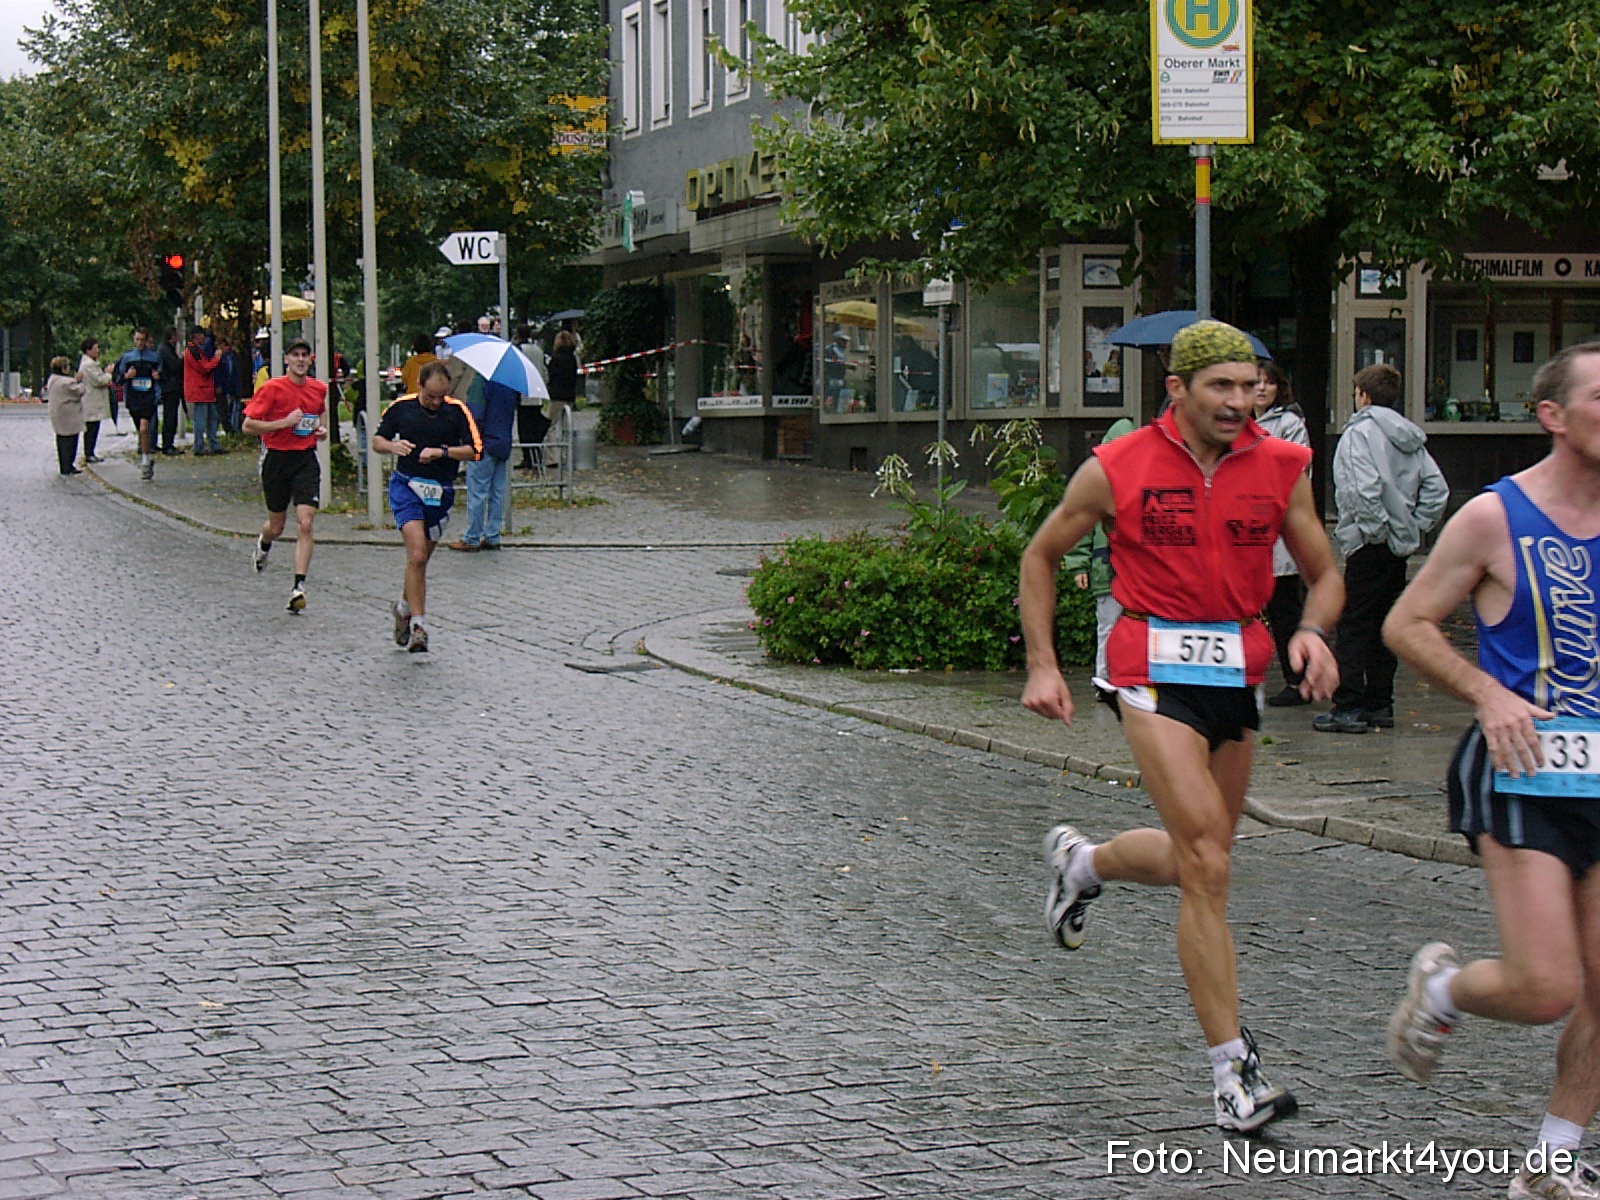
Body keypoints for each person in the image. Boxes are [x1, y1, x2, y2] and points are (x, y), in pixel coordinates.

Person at [1018, 319, 1342, 1134]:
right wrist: (1044, 665)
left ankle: (1084, 862)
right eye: (1222, 387)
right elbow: (1040, 554)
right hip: (1149, 667)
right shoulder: (1119, 466)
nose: (1241, 401)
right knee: (1205, 860)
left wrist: (1314, 631)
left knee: (1208, 857)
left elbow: (1324, 571)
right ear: (1178, 391)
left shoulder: (1283, 465)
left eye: (1251, 385)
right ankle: (1234, 1074)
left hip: (1238, 671)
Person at [1383, 341, 1600, 1200]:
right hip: (1521, 771)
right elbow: (1407, 623)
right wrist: (1487, 693)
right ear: (1553, 415)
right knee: (1549, 987)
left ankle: (1551, 1162)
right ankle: (1443, 987)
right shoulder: (1494, 517)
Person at [1314, 362, 1449, 734]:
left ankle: (1349, 704)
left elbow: (1359, 488)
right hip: (1398, 543)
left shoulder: (1358, 434)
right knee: (1387, 622)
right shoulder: (1410, 437)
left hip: (1370, 542)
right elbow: (1436, 489)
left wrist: (1373, 530)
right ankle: (1380, 703)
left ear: (1363, 395)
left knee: (1356, 622)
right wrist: (1414, 526)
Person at [372, 361, 482, 652]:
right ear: (419, 386)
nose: (435, 402)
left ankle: (403, 608)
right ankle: (420, 625)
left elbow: (475, 450)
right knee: (417, 553)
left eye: (440, 397)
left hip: (441, 492)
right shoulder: (401, 407)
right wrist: (392, 447)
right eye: (430, 396)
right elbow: (377, 440)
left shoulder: (456, 411)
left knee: (419, 561)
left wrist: (442, 452)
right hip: (406, 487)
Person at [241, 339, 328, 613]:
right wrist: (284, 423)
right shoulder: (272, 389)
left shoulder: (318, 388)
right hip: (277, 459)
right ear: (286, 359)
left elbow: (320, 414)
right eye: (295, 355)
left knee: (305, 523)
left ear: (310, 360)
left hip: (305, 460)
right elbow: (248, 426)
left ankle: (298, 587)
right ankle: (264, 544)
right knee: (276, 526)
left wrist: (322, 429)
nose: (301, 360)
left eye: (305, 356)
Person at [1254, 361, 1315, 707]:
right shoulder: (1239, 422)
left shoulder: (1289, 425)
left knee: (1284, 607)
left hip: (1277, 529)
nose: (1261, 389)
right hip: (1245, 532)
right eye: (1256, 383)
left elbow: (1292, 470)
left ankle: (1299, 678)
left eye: (1268, 383)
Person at [1060, 416, 1135, 688]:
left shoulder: (1141, 484)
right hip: (1108, 570)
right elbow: (1079, 530)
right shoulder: (1098, 488)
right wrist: (1078, 565)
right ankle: (1105, 678)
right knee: (1109, 625)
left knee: (1127, 626)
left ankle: (1126, 678)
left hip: (1132, 572)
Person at [450, 377, 518, 551]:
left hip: (484, 442)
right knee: (497, 492)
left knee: (477, 492)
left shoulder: (480, 382)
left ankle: (472, 536)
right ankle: (492, 535)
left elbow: (475, 415)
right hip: (503, 442)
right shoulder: (511, 383)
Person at [113, 327, 161, 480]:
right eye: (137, 340)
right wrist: (127, 375)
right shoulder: (127, 357)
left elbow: (163, 375)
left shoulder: (154, 357)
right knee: (141, 430)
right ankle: (145, 452)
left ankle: (145, 461)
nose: (140, 343)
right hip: (133, 398)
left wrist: (158, 376)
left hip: (149, 397)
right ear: (134, 340)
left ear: (146, 341)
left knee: (144, 427)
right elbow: (117, 379)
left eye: (142, 340)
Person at [513, 324, 550, 470]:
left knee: (525, 428)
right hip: (537, 393)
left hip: (523, 395)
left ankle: (528, 457)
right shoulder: (538, 350)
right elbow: (543, 370)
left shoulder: (519, 350)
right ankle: (537, 455)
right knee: (535, 426)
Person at [183, 329, 223, 455]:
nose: (204, 338)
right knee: (201, 419)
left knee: (211, 417)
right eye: (202, 335)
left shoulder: (197, 350)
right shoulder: (193, 351)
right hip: (200, 390)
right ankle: (199, 446)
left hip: (204, 390)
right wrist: (216, 359)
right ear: (197, 336)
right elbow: (204, 367)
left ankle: (212, 443)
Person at [45, 356, 86, 476]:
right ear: (63, 369)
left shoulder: (52, 379)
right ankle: (68, 465)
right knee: (70, 440)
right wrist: (80, 381)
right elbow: (79, 391)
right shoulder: (66, 382)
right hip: (69, 415)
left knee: (61, 439)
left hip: (57, 413)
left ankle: (63, 464)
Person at [77, 338, 113, 465]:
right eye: (95, 348)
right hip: (91, 400)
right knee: (92, 428)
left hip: (92, 400)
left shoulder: (89, 363)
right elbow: (99, 380)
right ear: (88, 350)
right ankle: (89, 453)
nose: (98, 351)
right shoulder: (89, 365)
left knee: (93, 427)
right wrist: (108, 373)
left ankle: (90, 452)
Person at [544, 329, 580, 450]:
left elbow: (551, 376)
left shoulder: (555, 359)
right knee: (566, 425)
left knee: (551, 425)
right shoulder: (572, 359)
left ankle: (553, 456)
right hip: (569, 394)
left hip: (557, 394)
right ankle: (566, 452)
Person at [156, 327, 185, 455]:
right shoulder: (165, 350)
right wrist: (183, 359)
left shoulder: (166, 349)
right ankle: (167, 444)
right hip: (170, 387)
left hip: (171, 386)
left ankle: (168, 443)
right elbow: (175, 366)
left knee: (171, 416)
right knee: (170, 416)